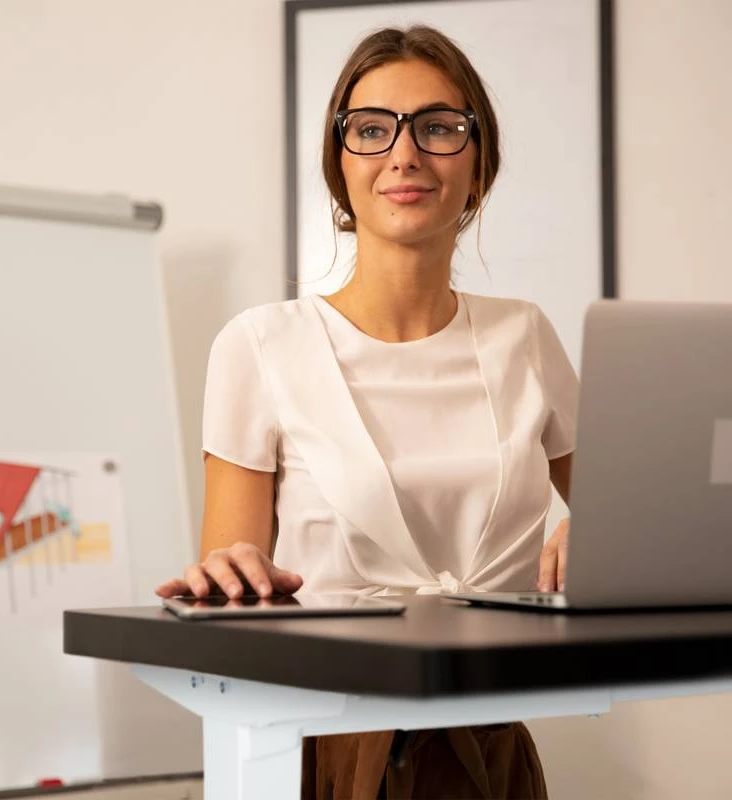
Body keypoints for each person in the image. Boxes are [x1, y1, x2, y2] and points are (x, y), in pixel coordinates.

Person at [157, 23, 577, 800]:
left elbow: (652, 541)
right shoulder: (259, 345)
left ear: (478, 166)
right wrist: (223, 578)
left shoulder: (527, 336)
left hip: (492, 755)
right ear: (339, 166)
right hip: (320, 756)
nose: (405, 153)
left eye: (440, 127)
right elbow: (236, 605)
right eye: (372, 129)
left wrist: (602, 537)